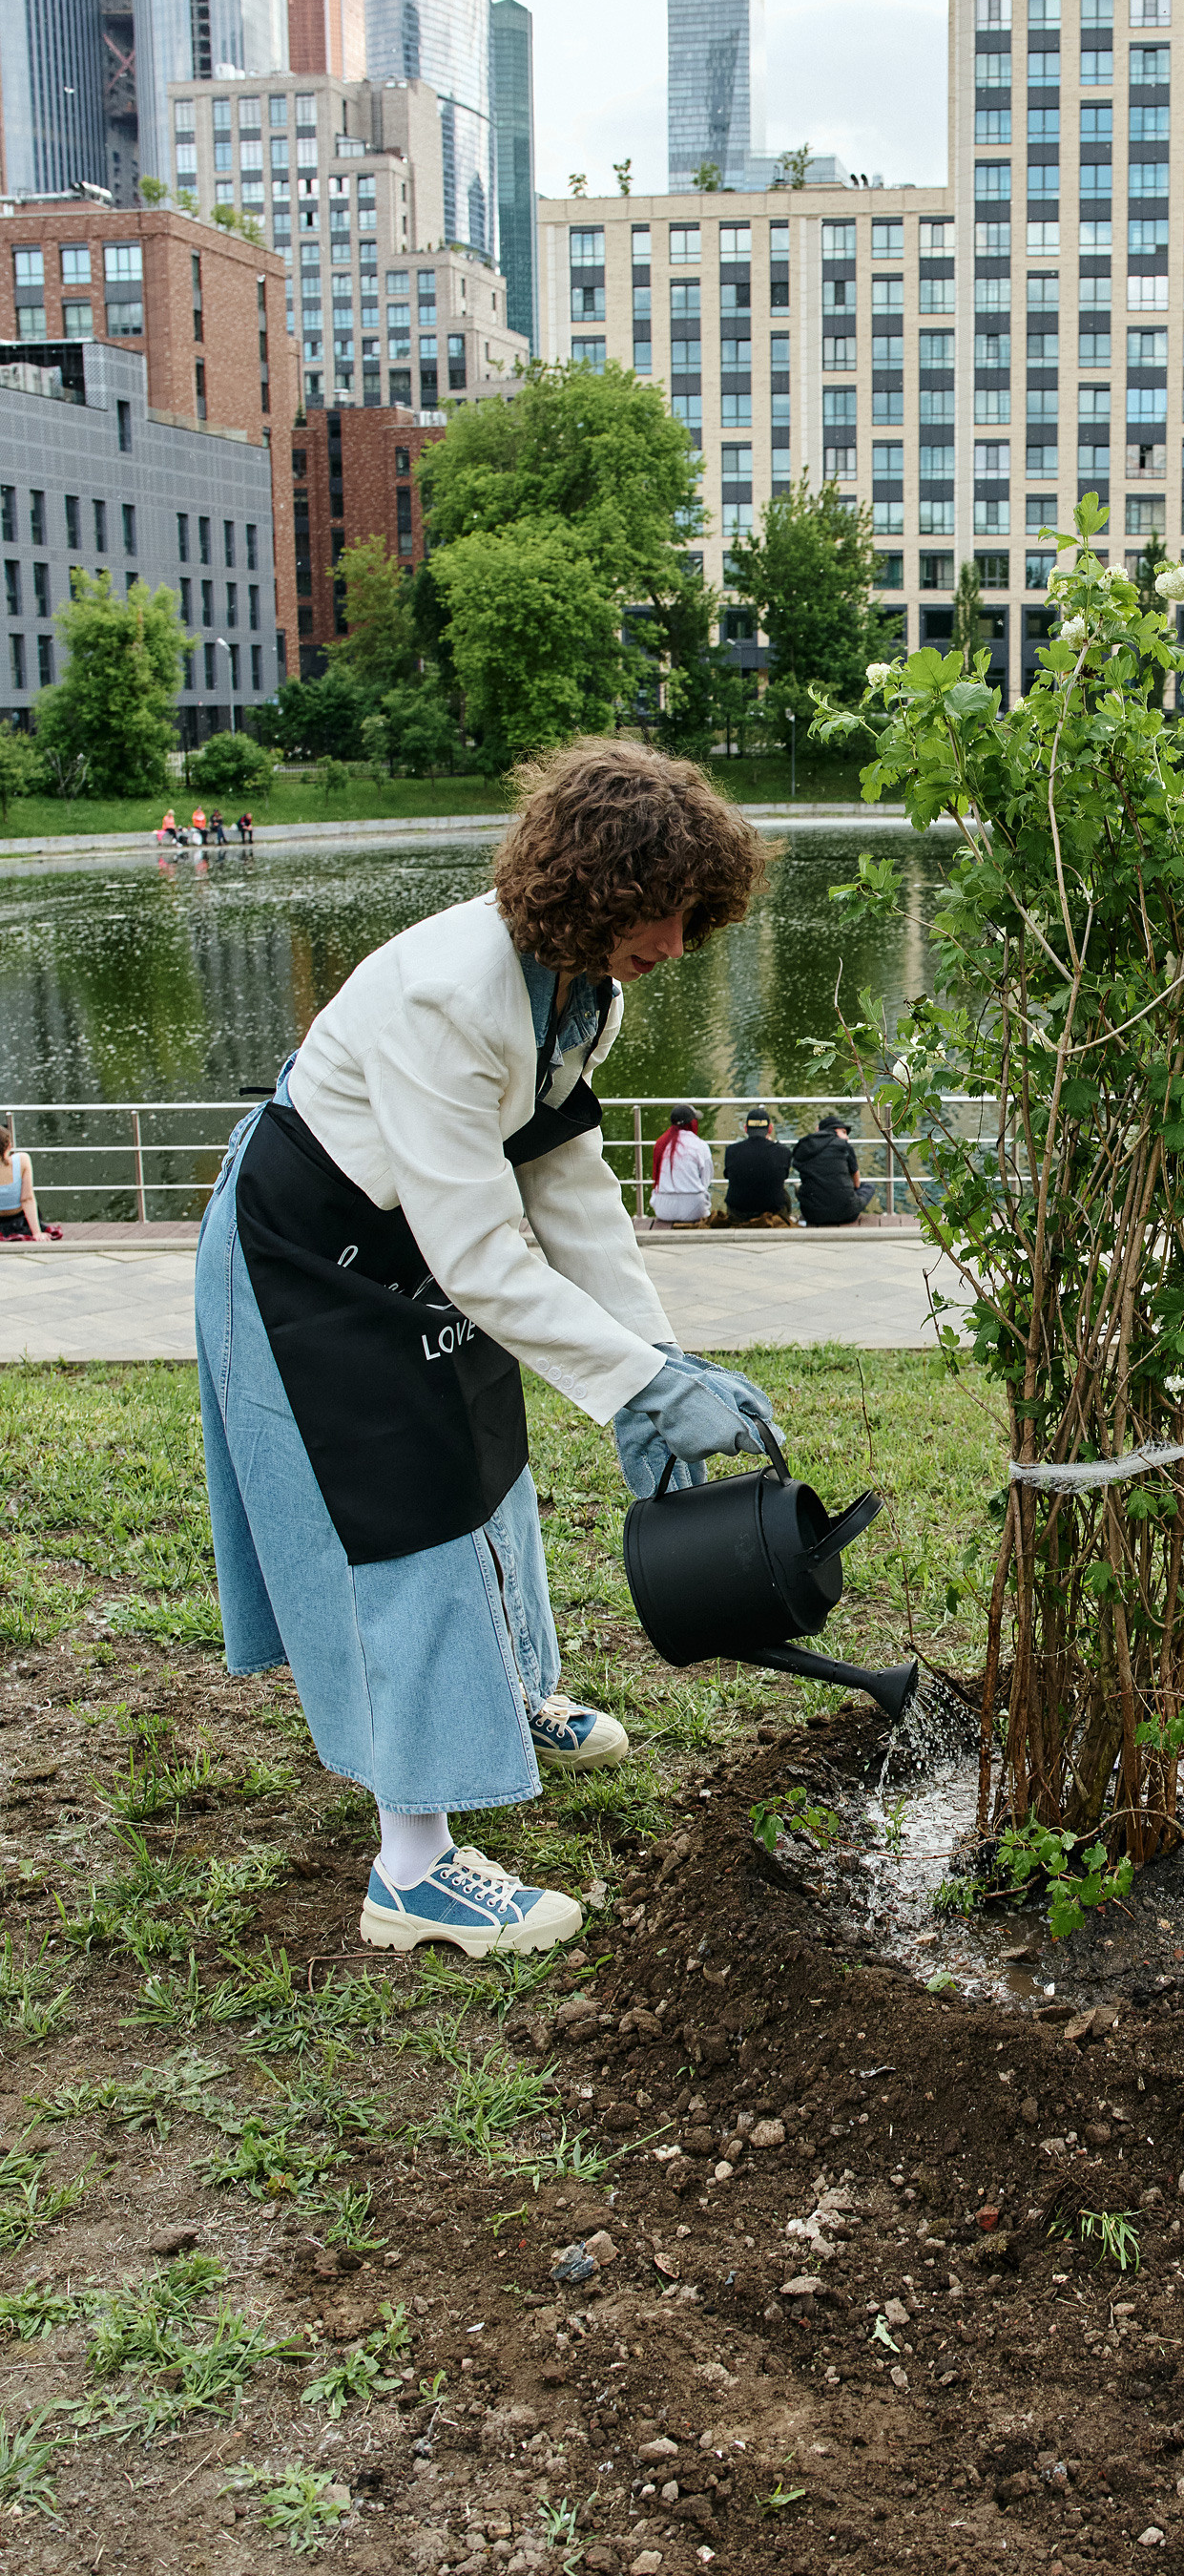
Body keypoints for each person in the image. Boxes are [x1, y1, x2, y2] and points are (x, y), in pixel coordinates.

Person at [195, 739, 782, 1960]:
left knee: (487, 1456)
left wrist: (657, 1366)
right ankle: (411, 1867)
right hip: (308, 1250)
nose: (676, 944)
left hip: (412, 1235)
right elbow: (481, 1253)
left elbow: (569, 1190)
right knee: (397, 1516)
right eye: (660, 913)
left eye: (691, 917)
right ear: (592, 888)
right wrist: (638, 1383)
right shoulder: (449, 994)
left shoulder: (584, 988)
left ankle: (510, 1694)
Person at [722, 1105, 796, 1227]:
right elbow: (783, 1177)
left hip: (739, 1214)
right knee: (784, 1194)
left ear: (746, 1129)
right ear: (770, 1129)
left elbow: (729, 1176)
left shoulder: (731, 1151)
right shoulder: (783, 1151)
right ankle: (785, 1219)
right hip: (772, 1211)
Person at [795, 1111, 873, 1226]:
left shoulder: (804, 1145)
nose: (847, 1137)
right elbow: (856, 1182)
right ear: (834, 1130)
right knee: (868, 1186)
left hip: (812, 1215)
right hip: (847, 1214)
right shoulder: (843, 1145)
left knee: (799, 1186)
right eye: (844, 1132)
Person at [649, 1101, 715, 1225]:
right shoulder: (700, 1145)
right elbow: (706, 1179)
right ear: (692, 1122)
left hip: (664, 1210)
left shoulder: (660, 1144)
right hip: (694, 1209)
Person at [0, 1116, 60, 1241]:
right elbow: (27, 1199)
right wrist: (37, 1233)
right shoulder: (22, 1160)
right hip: (20, 1222)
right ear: (10, 1146)